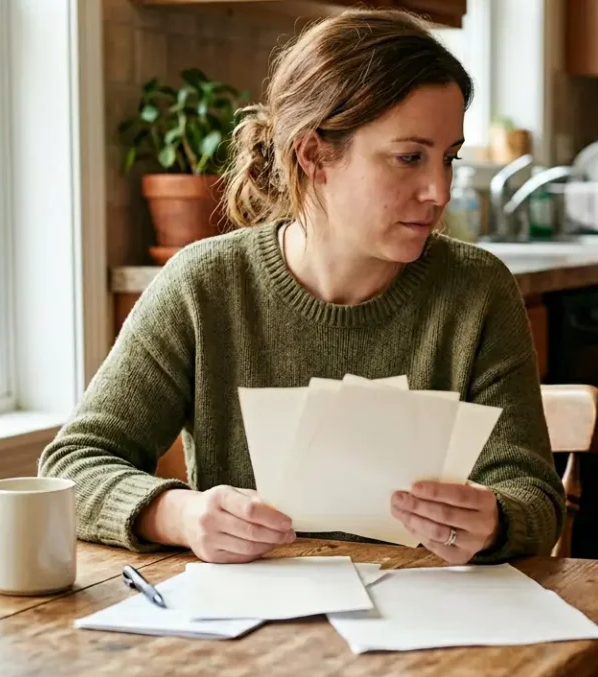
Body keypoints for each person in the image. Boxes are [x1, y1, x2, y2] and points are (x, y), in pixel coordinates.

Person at [38, 8, 564, 566]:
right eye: (409, 157)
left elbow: (533, 496)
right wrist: (182, 515)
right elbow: (73, 463)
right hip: (248, 630)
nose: (439, 189)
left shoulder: (478, 292)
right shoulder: (204, 286)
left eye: (448, 158)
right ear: (314, 156)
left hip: (431, 628)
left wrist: (495, 519)